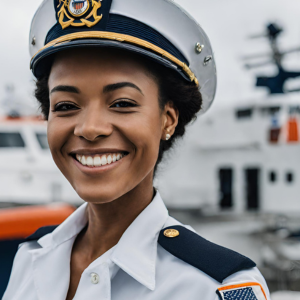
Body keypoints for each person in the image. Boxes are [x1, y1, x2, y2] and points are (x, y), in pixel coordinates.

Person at [3, 0, 271, 299]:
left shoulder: (214, 286)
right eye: (66, 106)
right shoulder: (30, 257)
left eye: (122, 103)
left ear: (167, 120)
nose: (90, 128)